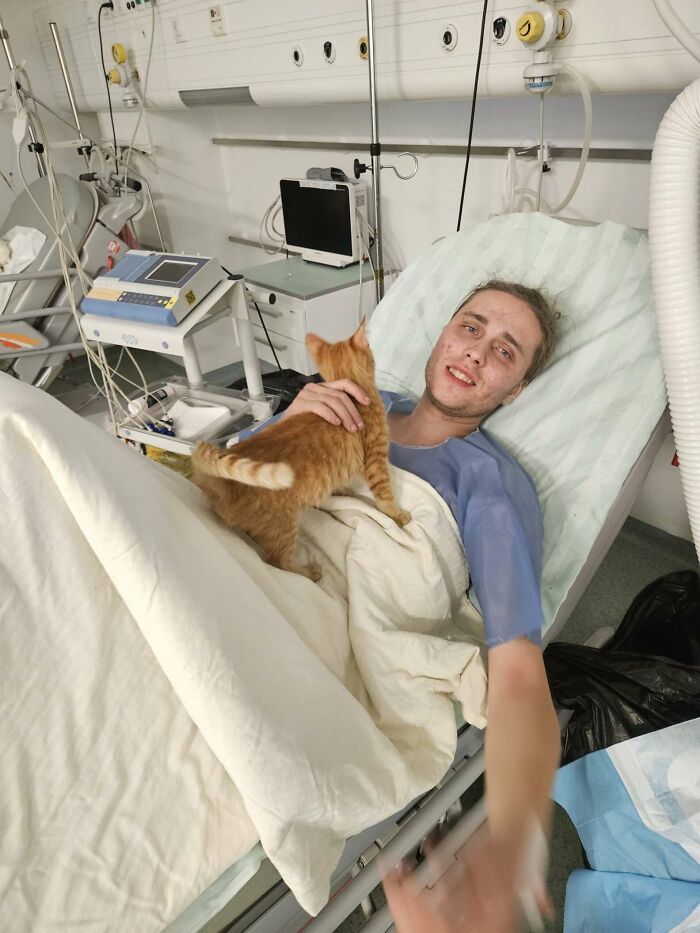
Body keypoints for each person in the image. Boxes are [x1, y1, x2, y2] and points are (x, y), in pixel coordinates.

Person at [278, 279, 561, 931]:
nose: (477, 351)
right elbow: (229, 489)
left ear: (514, 390)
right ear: (441, 334)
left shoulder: (489, 484)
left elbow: (517, 671)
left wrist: (512, 843)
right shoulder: (353, 401)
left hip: (329, 606)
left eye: (505, 350)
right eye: (471, 326)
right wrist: (292, 425)